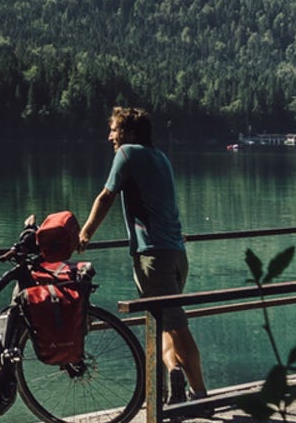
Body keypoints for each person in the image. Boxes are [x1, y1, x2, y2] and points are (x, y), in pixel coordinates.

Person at [76, 106, 207, 403]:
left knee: (178, 326)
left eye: (114, 130)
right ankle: (169, 377)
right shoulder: (161, 157)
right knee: (159, 321)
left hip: (152, 257)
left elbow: (106, 195)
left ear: (130, 132)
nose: (109, 136)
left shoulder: (127, 154)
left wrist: (84, 234)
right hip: (175, 253)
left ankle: (202, 396)